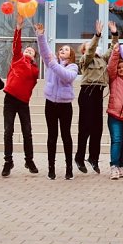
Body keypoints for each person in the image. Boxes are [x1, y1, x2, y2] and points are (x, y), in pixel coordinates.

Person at [35, 23, 79, 180]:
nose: (62, 51)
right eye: (61, 49)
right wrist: (40, 36)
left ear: (71, 55)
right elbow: (45, 52)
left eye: (66, 49)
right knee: (51, 135)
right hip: (50, 104)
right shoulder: (52, 63)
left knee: (66, 135)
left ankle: (69, 169)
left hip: (65, 105)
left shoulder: (73, 66)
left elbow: (67, 77)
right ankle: (51, 168)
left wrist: (53, 63)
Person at [74, 20, 117, 174]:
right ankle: (79, 157)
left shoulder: (102, 59)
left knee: (97, 129)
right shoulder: (85, 60)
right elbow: (90, 50)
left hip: (98, 94)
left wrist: (114, 34)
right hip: (87, 93)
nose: (95, 47)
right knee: (85, 128)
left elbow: (112, 50)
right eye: (90, 46)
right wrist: (97, 35)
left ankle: (93, 158)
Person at [2, 15, 40, 176]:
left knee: (27, 131)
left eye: (31, 50)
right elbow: (16, 45)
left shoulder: (34, 69)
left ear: (34, 57)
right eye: (27, 49)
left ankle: (29, 159)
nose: (27, 50)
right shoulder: (17, 58)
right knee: (8, 130)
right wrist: (18, 28)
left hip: (23, 102)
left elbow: (31, 79)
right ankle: (8, 161)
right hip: (10, 98)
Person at [106, 29, 123, 180]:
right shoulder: (114, 78)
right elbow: (111, 66)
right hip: (115, 115)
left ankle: (122, 166)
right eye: (120, 67)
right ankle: (114, 166)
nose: (122, 69)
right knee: (116, 140)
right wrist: (116, 52)